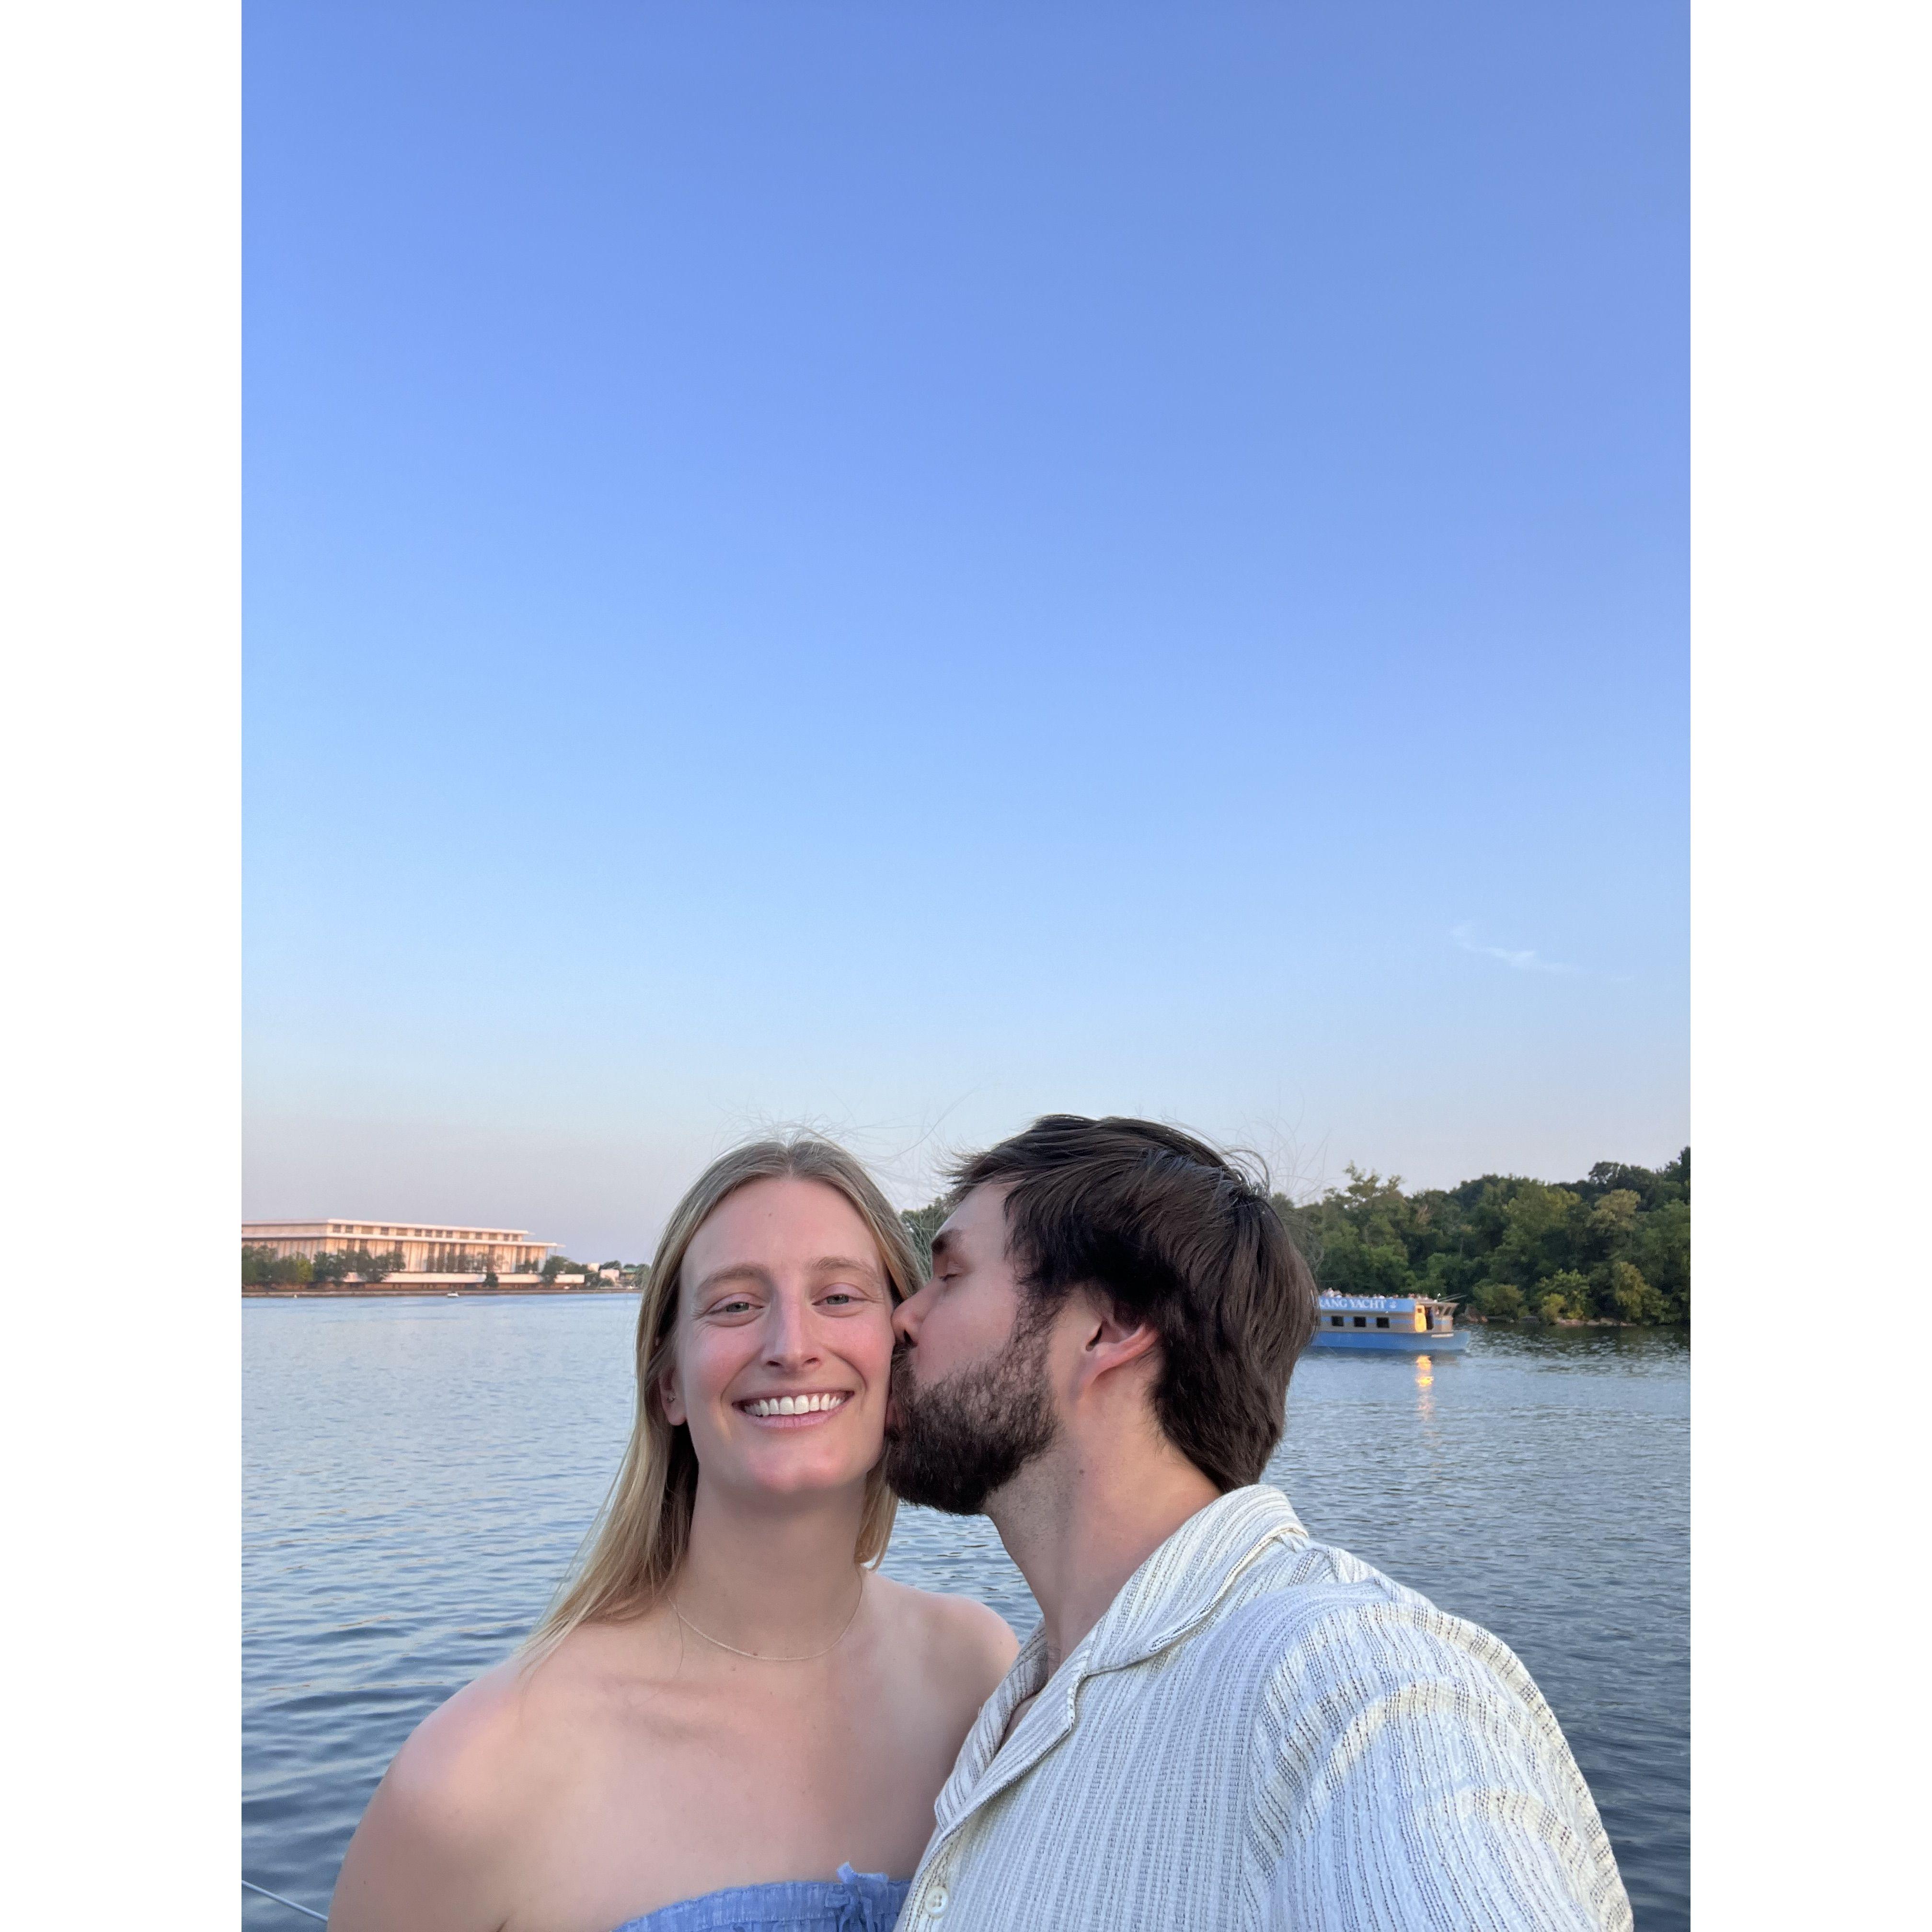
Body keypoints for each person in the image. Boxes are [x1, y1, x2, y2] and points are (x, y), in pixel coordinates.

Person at [883, 1114, 1633, 1932]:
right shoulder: (1029, 1699)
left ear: (1110, 1326)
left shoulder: (1356, 1684)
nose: (902, 1319)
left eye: (949, 1275)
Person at [330, 1135, 1017, 1932]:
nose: (792, 1347)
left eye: (838, 1297)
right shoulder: (478, 1772)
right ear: (669, 1388)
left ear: (901, 1350)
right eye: (735, 1305)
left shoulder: (977, 1676)